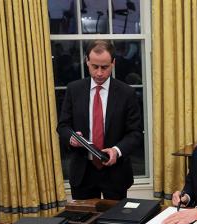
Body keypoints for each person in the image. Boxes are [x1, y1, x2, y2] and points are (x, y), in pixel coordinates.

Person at [57, 40, 143, 199]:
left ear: (113, 63)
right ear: (87, 62)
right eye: (94, 67)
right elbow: (62, 126)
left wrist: (116, 151)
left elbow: (135, 133)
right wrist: (71, 138)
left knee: (115, 221)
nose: (99, 73)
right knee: (83, 221)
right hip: (83, 172)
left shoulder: (127, 94)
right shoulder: (73, 90)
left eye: (105, 67)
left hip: (115, 172)